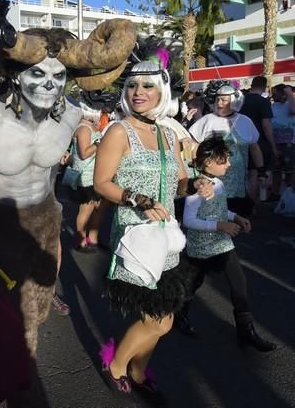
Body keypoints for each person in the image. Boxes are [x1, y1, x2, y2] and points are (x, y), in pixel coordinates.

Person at [0, 0, 137, 406]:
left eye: (58, 76)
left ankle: (12, 381)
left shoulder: (73, 112)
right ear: (16, 75)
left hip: (42, 227)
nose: (48, 84)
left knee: (31, 321)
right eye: (38, 73)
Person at [94, 60, 214, 404]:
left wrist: (196, 184)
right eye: (133, 86)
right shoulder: (119, 131)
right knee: (159, 320)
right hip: (136, 235)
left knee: (164, 314)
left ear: (162, 92)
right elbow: (101, 183)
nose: (139, 93)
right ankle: (116, 366)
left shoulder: (167, 133)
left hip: (167, 236)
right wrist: (137, 198)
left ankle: (138, 371)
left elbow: (177, 184)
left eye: (147, 86)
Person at [177, 136, 276, 351]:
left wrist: (234, 217)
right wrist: (220, 225)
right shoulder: (199, 188)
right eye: (223, 160)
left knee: (239, 282)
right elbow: (189, 220)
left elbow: (219, 210)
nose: (229, 164)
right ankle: (179, 315)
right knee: (192, 283)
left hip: (221, 244)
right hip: (201, 246)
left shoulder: (219, 183)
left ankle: (246, 331)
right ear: (207, 162)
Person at [190, 80, 264, 217]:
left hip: (239, 183)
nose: (219, 104)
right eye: (218, 100)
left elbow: (254, 148)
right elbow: (194, 145)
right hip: (212, 181)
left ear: (235, 100)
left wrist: (261, 171)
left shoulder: (245, 121)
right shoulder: (207, 120)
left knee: (237, 216)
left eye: (224, 100)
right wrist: (196, 169)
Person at [240, 76, 277, 204]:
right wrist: (273, 146)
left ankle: (243, 203)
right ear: (264, 86)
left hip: (240, 142)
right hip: (259, 142)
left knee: (244, 174)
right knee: (255, 174)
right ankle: (252, 204)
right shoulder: (263, 102)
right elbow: (266, 125)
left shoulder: (241, 101)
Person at [72, 113, 105, 253]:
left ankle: (92, 240)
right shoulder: (84, 128)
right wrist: (99, 143)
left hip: (95, 174)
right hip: (86, 177)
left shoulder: (90, 126)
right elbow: (84, 153)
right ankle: (81, 242)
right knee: (85, 211)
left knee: (96, 209)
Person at [269, 84, 295, 199]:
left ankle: (290, 193)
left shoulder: (290, 104)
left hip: (290, 144)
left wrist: (289, 93)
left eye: (275, 92)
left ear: (283, 92)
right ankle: (275, 194)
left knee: (290, 171)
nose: (273, 95)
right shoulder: (272, 106)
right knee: (276, 170)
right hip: (276, 143)